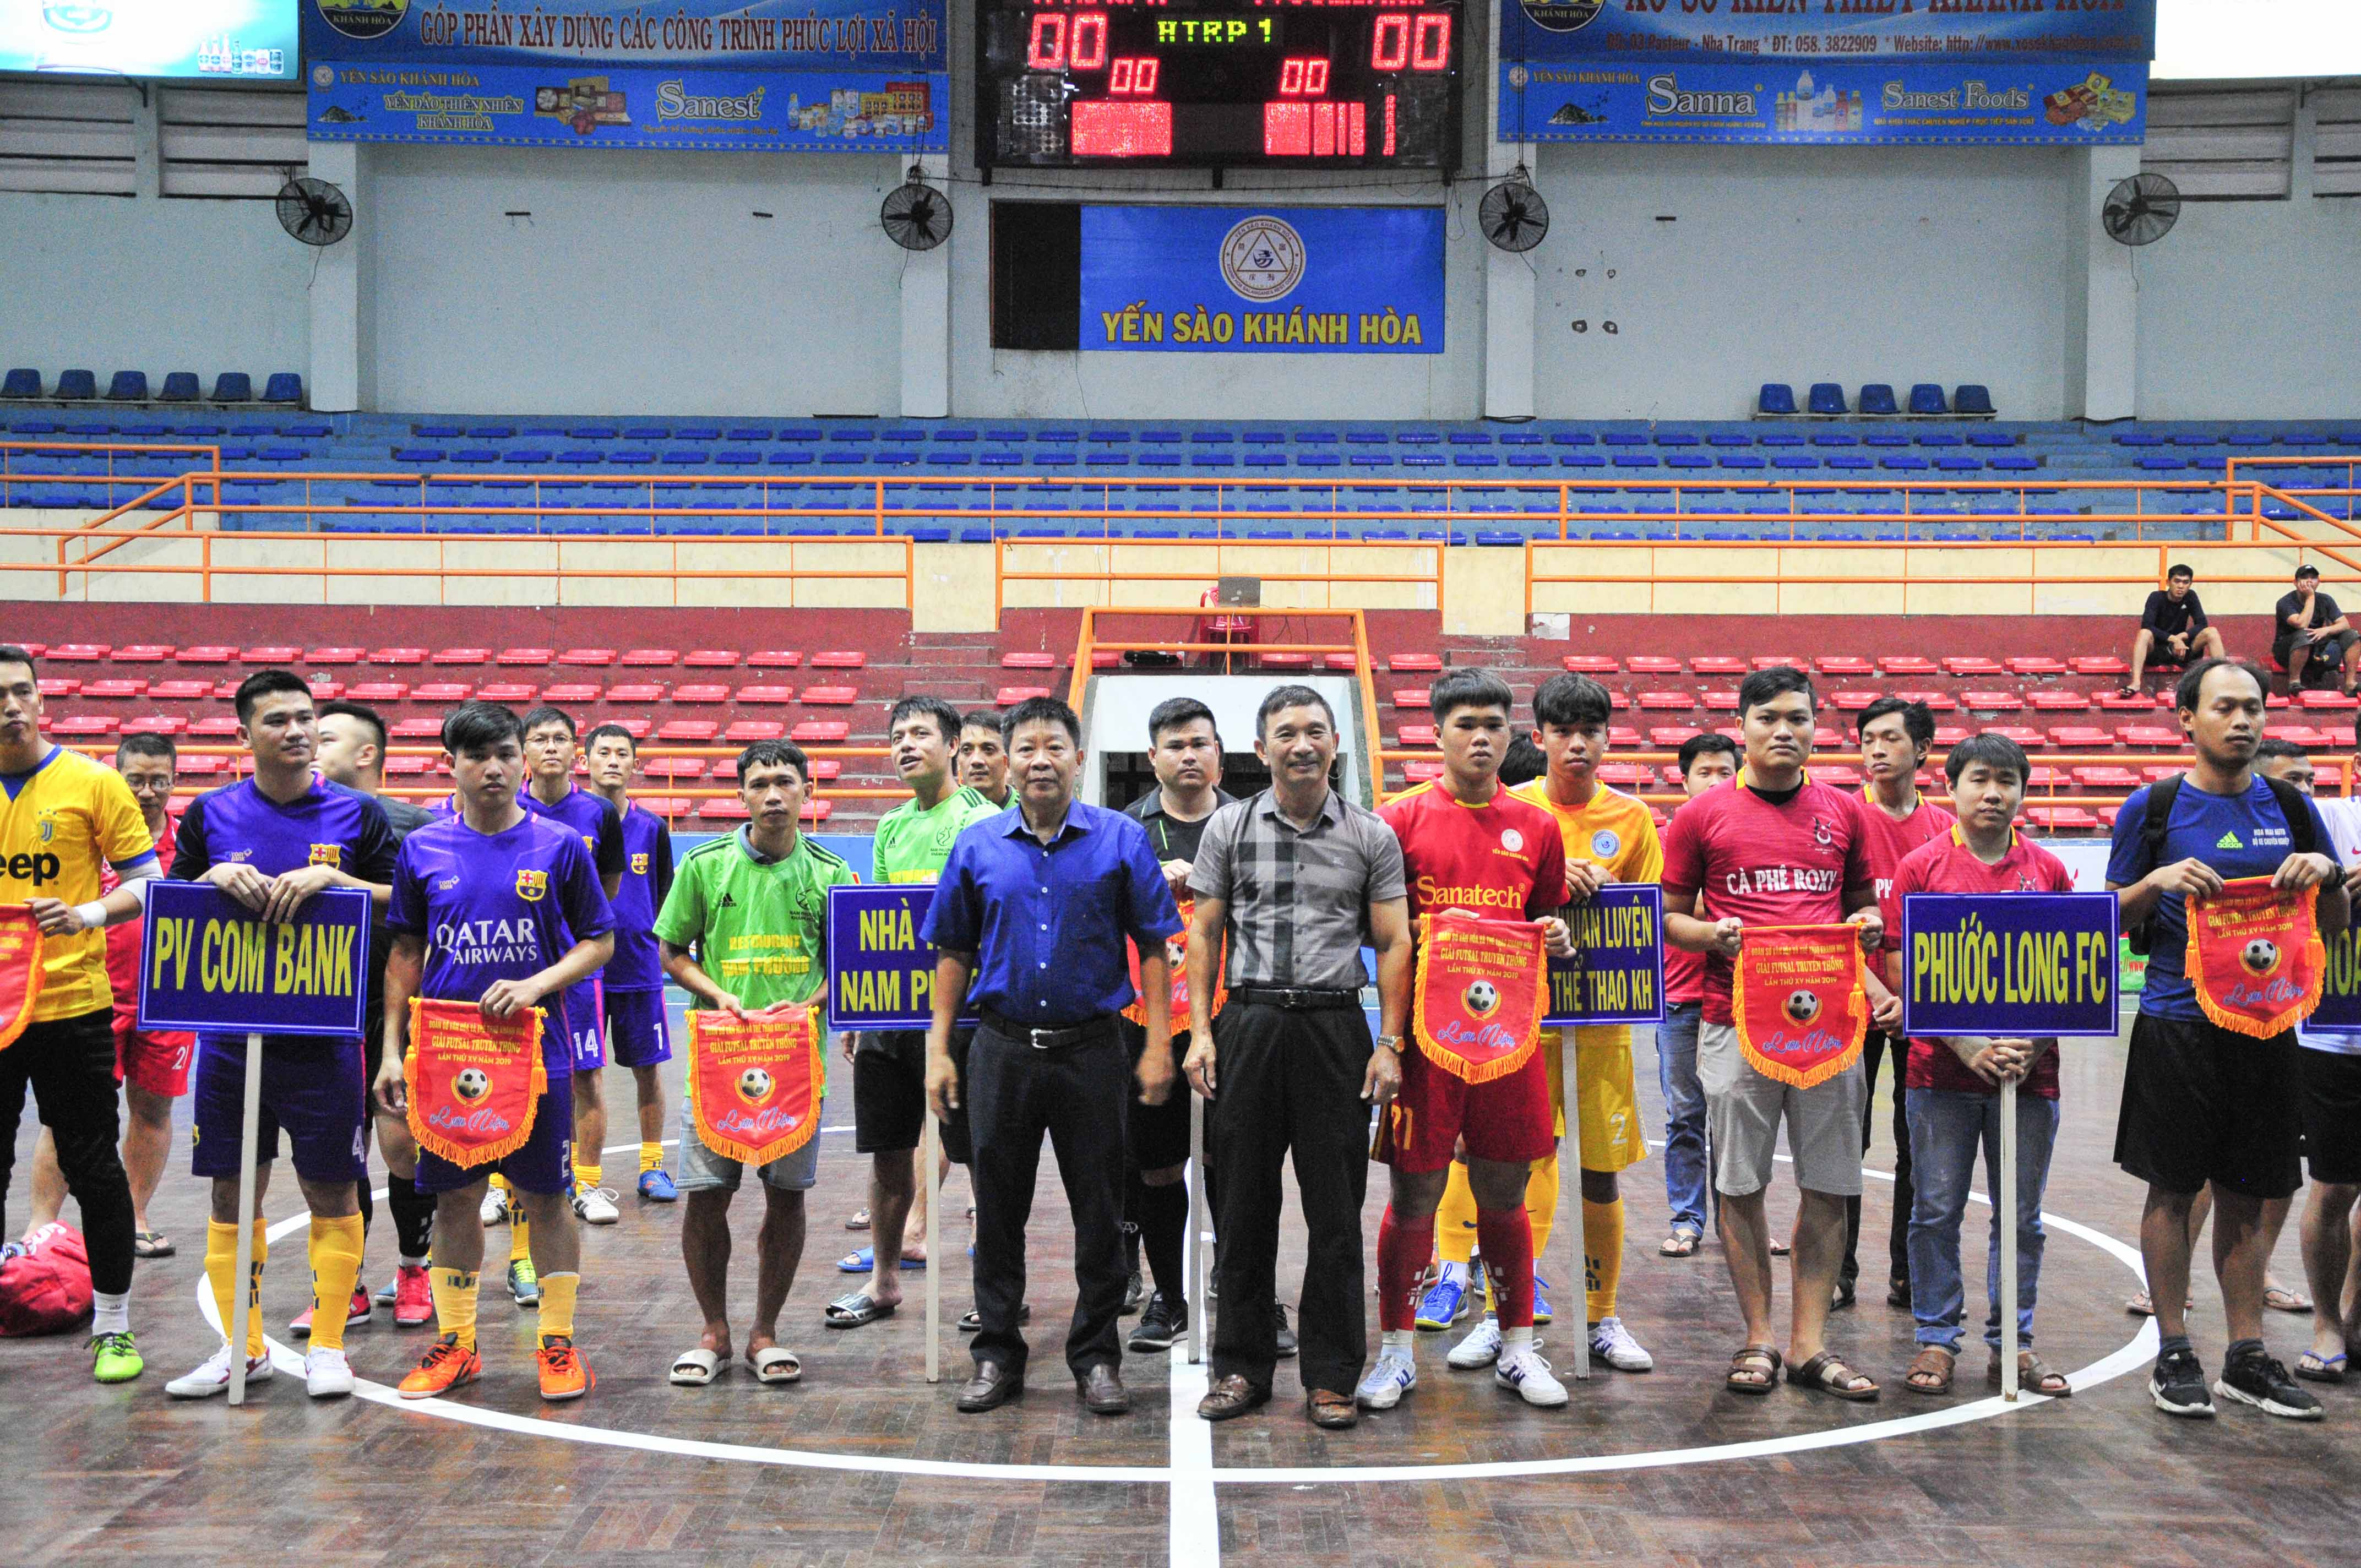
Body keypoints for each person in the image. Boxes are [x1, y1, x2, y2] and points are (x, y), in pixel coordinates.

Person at [922, 696, 1183, 1417]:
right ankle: (998, 1354)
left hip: (1094, 1052)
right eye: (1027, 748)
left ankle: (1097, 1358)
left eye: (1055, 747)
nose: (1041, 760)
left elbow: (1158, 943)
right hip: (999, 1050)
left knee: (1100, 1213)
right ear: (1007, 760)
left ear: (1077, 756)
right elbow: (953, 950)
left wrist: (1159, 1042)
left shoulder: (1121, 839)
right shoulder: (977, 846)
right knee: (997, 1212)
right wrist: (938, 1050)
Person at [2107, 657, 2345, 1420]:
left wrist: (2328, 884)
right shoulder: (2152, 809)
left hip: (2269, 1026)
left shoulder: (2293, 809)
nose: (2242, 721)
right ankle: (2174, 1349)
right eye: (2225, 708)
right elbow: (2111, 920)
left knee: (2253, 1190)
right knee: (2174, 1188)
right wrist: (2158, 883)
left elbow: (2334, 931)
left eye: (2253, 708)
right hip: (2178, 1023)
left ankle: (2246, 1355)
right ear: (2187, 720)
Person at [162, 671, 399, 1400]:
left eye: (306, 719)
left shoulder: (360, 817)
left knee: (331, 1188)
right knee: (232, 1192)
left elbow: (403, 902)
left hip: (326, 1035)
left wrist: (338, 884)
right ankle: (244, 1348)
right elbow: (174, 893)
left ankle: (329, 1345)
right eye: (278, 721)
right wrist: (212, 883)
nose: (296, 732)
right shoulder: (210, 813)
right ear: (245, 735)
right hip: (232, 1038)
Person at [1184, 684, 1412, 1427]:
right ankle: (1242, 1369)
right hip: (1248, 1022)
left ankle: (1332, 1374)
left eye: (1316, 731)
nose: (1302, 744)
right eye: (1286, 733)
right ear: (1262, 749)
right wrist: (1203, 1031)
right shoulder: (1228, 826)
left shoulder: (1372, 835)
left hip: (1335, 1030)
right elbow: (1206, 934)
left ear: (1335, 745)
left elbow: (1395, 943)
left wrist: (1389, 1043)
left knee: (1336, 1214)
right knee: (1244, 1208)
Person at [1662, 665, 1891, 1403]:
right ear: (1742, 725)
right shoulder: (1701, 818)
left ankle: (1810, 1344)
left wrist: (1870, 926)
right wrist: (1712, 934)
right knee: (1740, 1181)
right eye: (1768, 718)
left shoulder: (1845, 814)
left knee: (1829, 1182)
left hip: (1830, 1023)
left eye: (1798, 718)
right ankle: (1759, 1335)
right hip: (1733, 1020)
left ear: (1817, 726)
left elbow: (1861, 909)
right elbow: (1669, 917)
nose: (1784, 731)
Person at [376, 702, 614, 1403]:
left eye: (505, 754)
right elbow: (404, 956)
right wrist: (393, 1051)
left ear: (523, 760)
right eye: (477, 756)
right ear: (449, 764)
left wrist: (537, 983)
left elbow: (597, 940)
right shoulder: (422, 850)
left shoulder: (560, 846)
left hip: (537, 1053)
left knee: (547, 1198)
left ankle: (558, 1343)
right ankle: (457, 1343)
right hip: (449, 1057)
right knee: (456, 1201)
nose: (494, 768)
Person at [1364, 668, 1575, 1412]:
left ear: (1511, 735)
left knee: (1504, 1191)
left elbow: (1547, 919)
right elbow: (1377, 932)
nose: (1481, 737)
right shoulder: (1398, 821)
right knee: (1416, 1190)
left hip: (1508, 1040)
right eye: (1465, 725)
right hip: (1426, 1040)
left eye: (1494, 725)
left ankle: (1517, 1344)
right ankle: (1395, 1352)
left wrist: (1555, 933)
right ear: (1436, 734)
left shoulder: (1538, 826)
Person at [1443, 672, 1655, 1377]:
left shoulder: (1632, 822)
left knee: (1600, 1176)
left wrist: (1609, 893)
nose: (1577, 745)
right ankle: (1506, 1317)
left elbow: (1647, 918)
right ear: (1538, 738)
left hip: (1599, 1025)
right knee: (1513, 1171)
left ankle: (1603, 1315)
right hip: (1518, 1025)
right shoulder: (1513, 810)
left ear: (1607, 740)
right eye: (1563, 732)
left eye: (1590, 732)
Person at [654, 739, 856, 1387]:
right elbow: (671, 950)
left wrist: (810, 1005)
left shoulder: (830, 874)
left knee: (786, 1196)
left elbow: (850, 967)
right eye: (760, 783)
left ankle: (765, 1331)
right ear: (741, 794)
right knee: (707, 1195)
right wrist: (716, 994)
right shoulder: (705, 866)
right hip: (719, 1057)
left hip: (797, 1061)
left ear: (807, 793)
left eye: (785, 783)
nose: (773, 795)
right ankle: (713, 1330)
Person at [1890, 734, 2075, 1398]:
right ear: (1952, 788)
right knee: (1934, 1209)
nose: (1993, 792)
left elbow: (2072, 975)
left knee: (2020, 1216)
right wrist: (1965, 1042)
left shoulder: (2048, 871)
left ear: (2023, 791)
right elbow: (1898, 968)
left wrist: (2032, 1042)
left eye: (2006, 780)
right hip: (1939, 1077)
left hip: (2030, 1078)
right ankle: (1936, 1339)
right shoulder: (1921, 868)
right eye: (1979, 779)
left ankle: (2013, 1344)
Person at [0, 644, 156, 1384]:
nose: (9, 705)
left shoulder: (92, 783)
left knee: (94, 1165)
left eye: (20, 691)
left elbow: (146, 881)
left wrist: (86, 912)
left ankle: (115, 1327)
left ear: (41, 700)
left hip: (74, 1009)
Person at [827, 698, 998, 1331]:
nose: (906, 745)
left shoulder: (983, 819)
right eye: (897, 735)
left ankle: (994, 1289)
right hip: (892, 1019)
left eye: (920, 734)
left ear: (953, 745)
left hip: (964, 1020)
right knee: (889, 1154)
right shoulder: (891, 826)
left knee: (980, 1153)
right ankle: (885, 1282)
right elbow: (877, 926)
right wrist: (857, 1011)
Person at [23, 733, 187, 1262]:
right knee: (66, 1116)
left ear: (173, 781)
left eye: (159, 780)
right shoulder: (92, 834)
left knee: (153, 1111)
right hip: (92, 997)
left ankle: (136, 1218)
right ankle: (41, 1226)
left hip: (167, 1000)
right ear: (116, 779)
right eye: (135, 780)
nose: (147, 792)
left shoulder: (189, 845)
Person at [315, 699, 440, 1328]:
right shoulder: (296, 819)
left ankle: (415, 1269)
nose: (309, 743)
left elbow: (428, 911)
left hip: (394, 1005)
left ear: (367, 753)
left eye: (326, 736)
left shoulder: (413, 824)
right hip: (317, 1005)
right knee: (336, 1155)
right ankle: (346, 1282)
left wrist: (342, 885)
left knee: (403, 1148)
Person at [1120, 696, 1237, 1354]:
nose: (1189, 755)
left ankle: (1245, 1286)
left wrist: (1216, 888)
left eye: (1200, 743)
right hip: (1149, 1022)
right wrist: (1146, 889)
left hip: (1230, 1017)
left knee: (1232, 1159)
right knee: (1157, 1166)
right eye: (1175, 745)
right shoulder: (1123, 832)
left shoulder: (1249, 823)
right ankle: (1168, 1296)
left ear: (1219, 753)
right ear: (1152, 758)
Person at [1846, 697, 1954, 1313]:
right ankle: (1838, 1269)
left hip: (1924, 1007)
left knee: (1919, 1144)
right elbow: (1825, 918)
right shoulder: (1840, 819)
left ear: (1922, 750)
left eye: (1890, 738)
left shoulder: (1946, 829)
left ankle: (1909, 1273)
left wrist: (1910, 997)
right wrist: (1878, 990)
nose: (1877, 748)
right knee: (1844, 1141)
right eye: (1867, 739)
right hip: (1852, 1000)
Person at [518, 706, 628, 1232]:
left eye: (562, 739)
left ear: (575, 751)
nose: (552, 748)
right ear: (524, 751)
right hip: (515, 968)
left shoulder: (600, 814)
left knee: (587, 1077)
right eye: (540, 740)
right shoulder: (506, 809)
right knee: (512, 1077)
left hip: (578, 974)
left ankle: (585, 1183)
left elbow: (605, 891)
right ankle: (503, 1187)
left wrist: (573, 938)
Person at [583, 723, 679, 1205]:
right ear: (588, 761)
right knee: (581, 1074)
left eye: (623, 753)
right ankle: (584, 1176)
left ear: (635, 764)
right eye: (604, 752)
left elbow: (665, 895)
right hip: (581, 967)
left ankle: (652, 1166)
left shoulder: (653, 828)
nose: (614, 761)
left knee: (648, 1070)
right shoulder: (572, 823)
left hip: (638, 967)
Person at [2294, 714, 2361, 1383]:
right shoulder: (2328, 818)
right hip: (2337, 1033)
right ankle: (2325, 1322)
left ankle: (2355, 1313)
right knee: (2335, 1184)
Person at [1657, 733, 1737, 1259]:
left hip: (1740, 999)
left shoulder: (1747, 833)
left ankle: (1741, 1220)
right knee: (1686, 1115)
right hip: (1680, 997)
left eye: (1725, 771)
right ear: (1682, 779)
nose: (1716, 781)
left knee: (1740, 1118)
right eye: (1704, 772)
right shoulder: (1668, 837)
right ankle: (1687, 1218)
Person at [2126, 563, 2224, 697]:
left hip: (2181, 651)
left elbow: (2202, 624)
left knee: (2211, 632)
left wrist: (2182, 637)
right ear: (2168, 582)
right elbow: (2147, 625)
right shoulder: (2156, 597)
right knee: (2144, 633)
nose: (2181, 586)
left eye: (2185, 582)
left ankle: (2224, 683)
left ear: (2190, 584)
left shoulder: (2190, 597)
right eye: (2177, 581)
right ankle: (2136, 683)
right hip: (2158, 651)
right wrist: (2173, 639)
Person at [2276, 565, 2358, 696]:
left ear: (2318, 582)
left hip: (2315, 648)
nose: (2309, 581)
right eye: (2304, 578)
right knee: (2304, 635)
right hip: (2287, 652)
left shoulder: (2326, 599)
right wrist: (2310, 597)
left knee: (2352, 635)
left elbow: (2345, 624)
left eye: (2313, 578)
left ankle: (2350, 684)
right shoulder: (2285, 602)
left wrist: (2326, 630)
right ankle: (2294, 683)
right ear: (2295, 583)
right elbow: (2301, 624)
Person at [957, 711, 1013, 809]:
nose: (976, 760)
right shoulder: (945, 813)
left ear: (1008, 760)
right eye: (966, 750)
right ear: (958, 761)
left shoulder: (1027, 811)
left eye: (988, 750)